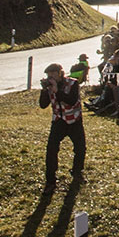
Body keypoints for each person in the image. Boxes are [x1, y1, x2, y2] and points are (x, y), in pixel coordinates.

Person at [38, 63, 85, 192]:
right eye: (48, 75)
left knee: (80, 148)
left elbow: (71, 100)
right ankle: (50, 181)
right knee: (51, 150)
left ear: (60, 73)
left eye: (53, 75)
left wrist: (57, 91)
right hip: (58, 121)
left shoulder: (72, 83)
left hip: (74, 120)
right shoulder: (49, 87)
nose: (51, 78)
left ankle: (77, 172)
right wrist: (44, 91)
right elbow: (43, 105)